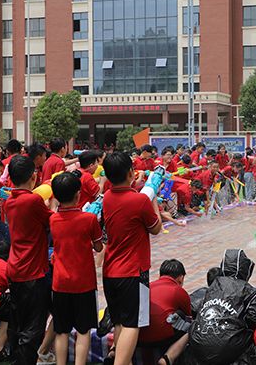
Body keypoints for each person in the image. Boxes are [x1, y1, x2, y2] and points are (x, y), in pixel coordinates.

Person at [102, 152, 162, 365]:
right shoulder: (140, 201)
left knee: (119, 320)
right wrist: (152, 193)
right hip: (133, 271)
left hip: (110, 271)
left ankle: (120, 359)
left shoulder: (107, 197)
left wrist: (137, 186)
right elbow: (156, 229)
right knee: (132, 324)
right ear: (130, 172)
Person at [50, 172, 104, 365]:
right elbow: (98, 247)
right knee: (83, 330)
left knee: (62, 330)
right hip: (84, 283)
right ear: (78, 195)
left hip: (60, 283)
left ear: (56, 196)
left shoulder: (53, 220)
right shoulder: (89, 219)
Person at [6, 155, 55, 365]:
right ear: (34, 176)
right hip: (33, 270)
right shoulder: (33, 200)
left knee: (17, 321)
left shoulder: (9, 201)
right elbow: (52, 220)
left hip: (15, 268)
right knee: (33, 326)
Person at [181, 249, 256, 365]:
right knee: (255, 334)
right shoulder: (251, 291)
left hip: (197, 342)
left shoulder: (214, 284)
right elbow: (253, 319)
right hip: (226, 346)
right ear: (246, 269)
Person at [137, 259, 192, 365]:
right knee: (192, 326)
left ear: (159, 276)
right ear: (181, 278)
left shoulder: (148, 286)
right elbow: (189, 320)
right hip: (162, 339)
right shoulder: (180, 291)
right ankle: (168, 358)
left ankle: (114, 350)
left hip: (138, 338)